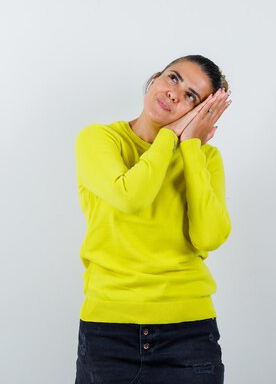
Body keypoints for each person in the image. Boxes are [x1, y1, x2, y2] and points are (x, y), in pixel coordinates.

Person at [74, 54, 232, 384]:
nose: (176, 93)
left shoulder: (206, 157)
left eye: (192, 96)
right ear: (156, 78)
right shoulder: (100, 139)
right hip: (108, 333)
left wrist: (189, 148)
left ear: (200, 113)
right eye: (174, 78)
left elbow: (209, 238)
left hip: (189, 334)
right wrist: (168, 137)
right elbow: (130, 197)